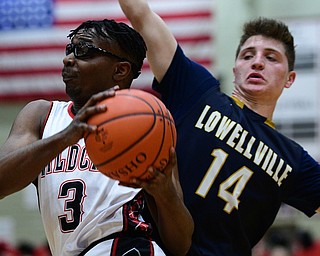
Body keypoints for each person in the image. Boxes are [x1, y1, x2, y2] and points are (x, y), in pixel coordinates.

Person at [118, 0, 320, 255]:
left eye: (271, 57)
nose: (257, 62)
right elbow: (140, 14)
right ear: (235, 69)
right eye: (248, 56)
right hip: (152, 248)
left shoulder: (294, 159)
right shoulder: (196, 90)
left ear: (289, 78)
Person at [0, 19, 193, 256]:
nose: (68, 58)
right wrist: (65, 138)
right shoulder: (41, 115)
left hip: (128, 248)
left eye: (83, 51)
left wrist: (165, 195)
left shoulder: (149, 125)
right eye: (70, 49)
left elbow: (181, 245)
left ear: (120, 70)